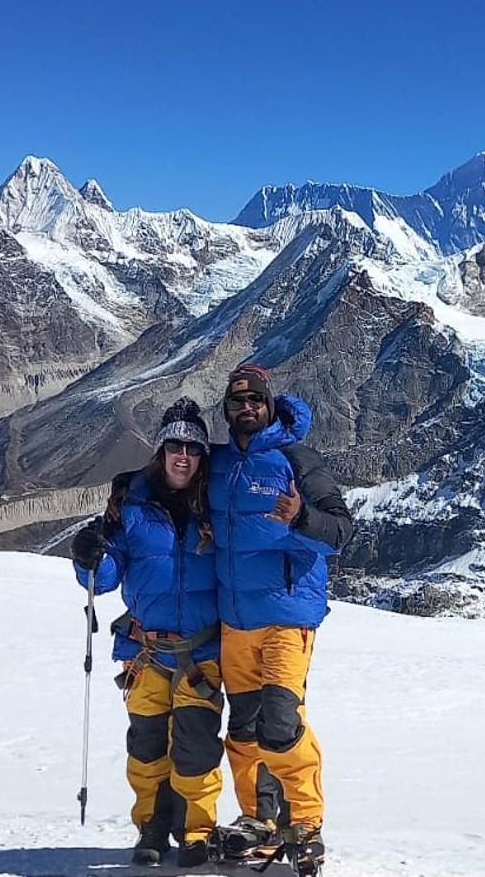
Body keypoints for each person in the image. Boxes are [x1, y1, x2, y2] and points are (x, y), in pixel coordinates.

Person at [205, 364, 354, 874]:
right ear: (226, 410)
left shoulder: (298, 459)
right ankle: (259, 820)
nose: (245, 409)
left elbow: (341, 531)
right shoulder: (219, 464)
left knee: (281, 721)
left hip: (288, 617)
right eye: (236, 402)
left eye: (254, 401)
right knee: (244, 728)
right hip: (235, 619)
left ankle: (306, 821)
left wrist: (301, 518)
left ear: (270, 405)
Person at [72, 398, 224, 867]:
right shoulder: (131, 503)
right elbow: (108, 573)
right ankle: (153, 827)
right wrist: (89, 557)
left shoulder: (218, 506)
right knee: (147, 745)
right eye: (175, 445)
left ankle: (196, 831)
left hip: (202, 651)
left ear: (202, 456)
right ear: (160, 450)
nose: (183, 456)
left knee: (196, 747)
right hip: (145, 650)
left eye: (193, 448)